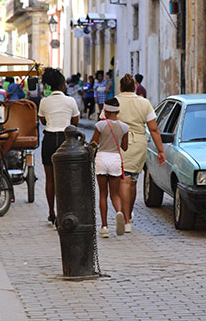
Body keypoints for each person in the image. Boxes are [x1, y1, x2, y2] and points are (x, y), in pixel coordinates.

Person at [115, 73, 165, 231]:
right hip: (138, 144)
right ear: (135, 88)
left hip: (119, 143)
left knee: (123, 180)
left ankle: (126, 218)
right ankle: (128, 215)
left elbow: (104, 124)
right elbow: (154, 129)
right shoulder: (144, 103)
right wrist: (160, 150)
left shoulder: (114, 101)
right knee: (133, 181)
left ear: (121, 88)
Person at [38, 68, 80, 225]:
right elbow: (75, 122)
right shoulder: (70, 101)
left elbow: (42, 120)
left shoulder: (44, 101)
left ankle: (51, 212)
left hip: (49, 139)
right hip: (65, 140)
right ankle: (66, 211)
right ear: (63, 85)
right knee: (67, 178)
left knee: (50, 179)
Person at [89, 97, 128, 238]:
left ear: (105, 110)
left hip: (102, 158)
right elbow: (124, 147)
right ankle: (119, 211)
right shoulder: (124, 127)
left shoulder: (100, 125)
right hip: (115, 159)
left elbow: (93, 144)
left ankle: (104, 227)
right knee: (115, 194)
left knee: (103, 194)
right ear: (118, 111)